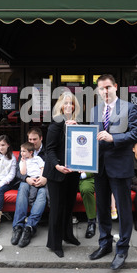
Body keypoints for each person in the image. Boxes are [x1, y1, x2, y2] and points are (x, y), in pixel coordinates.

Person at [89, 74, 137, 270]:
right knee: (102, 208)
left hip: (120, 166)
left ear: (116, 87)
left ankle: (122, 249)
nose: (105, 91)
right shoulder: (95, 110)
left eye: (108, 87)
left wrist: (113, 138)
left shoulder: (129, 108)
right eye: (101, 88)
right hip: (100, 167)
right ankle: (105, 244)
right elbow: (92, 135)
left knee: (123, 209)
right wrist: (77, 131)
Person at [43, 91, 81, 258]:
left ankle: (68, 235)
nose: (68, 106)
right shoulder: (55, 125)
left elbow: (81, 147)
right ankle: (55, 243)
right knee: (57, 209)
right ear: (60, 106)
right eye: (65, 103)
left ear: (74, 106)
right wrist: (57, 165)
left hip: (72, 173)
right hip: (56, 173)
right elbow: (49, 150)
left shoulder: (76, 123)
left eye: (71, 103)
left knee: (69, 206)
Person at [11, 127, 47, 247]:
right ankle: (18, 226)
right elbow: (17, 171)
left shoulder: (47, 151)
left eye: (35, 139)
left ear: (41, 138)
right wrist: (27, 178)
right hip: (27, 180)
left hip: (43, 182)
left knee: (42, 193)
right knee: (23, 187)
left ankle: (29, 227)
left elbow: (51, 168)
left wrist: (44, 178)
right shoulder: (24, 152)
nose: (32, 142)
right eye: (30, 139)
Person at [79, 172, 96, 238]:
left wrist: (84, 174)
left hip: (87, 177)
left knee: (86, 190)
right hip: (67, 174)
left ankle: (91, 222)